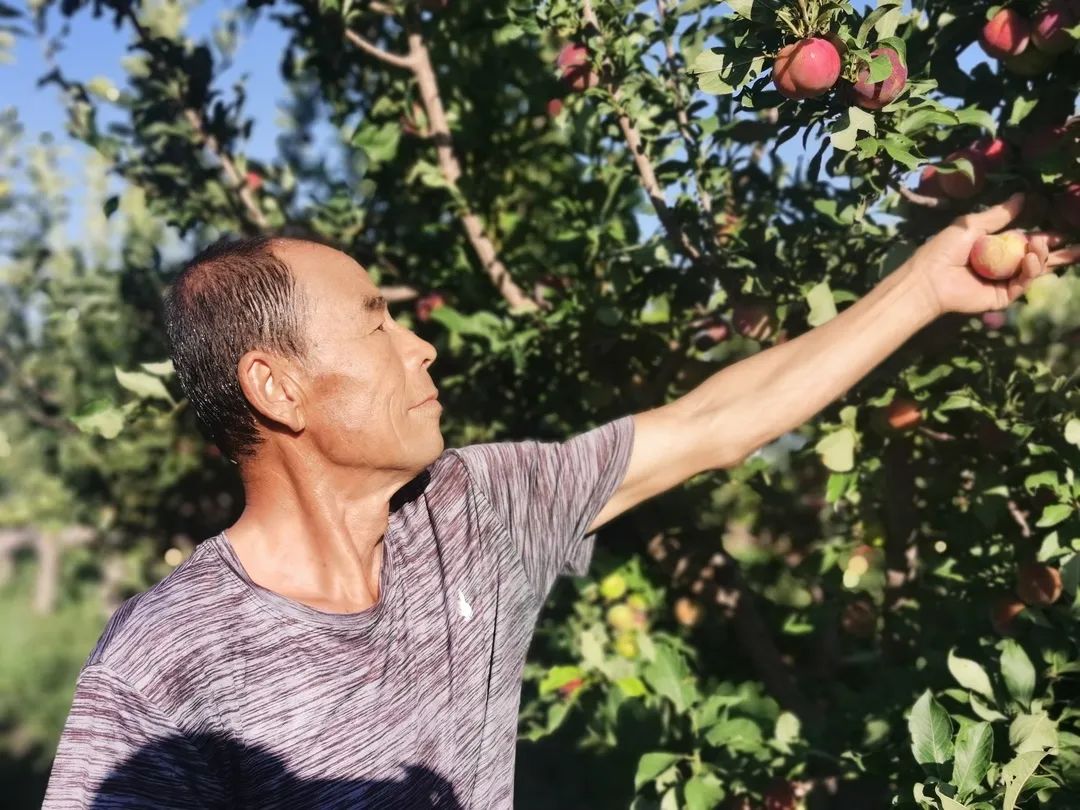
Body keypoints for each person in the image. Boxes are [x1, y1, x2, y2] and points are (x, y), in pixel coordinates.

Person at [42, 194, 1076, 808]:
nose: (422, 343)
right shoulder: (162, 669)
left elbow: (714, 424)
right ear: (278, 388)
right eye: (375, 324)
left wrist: (925, 288)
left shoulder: (476, 509)